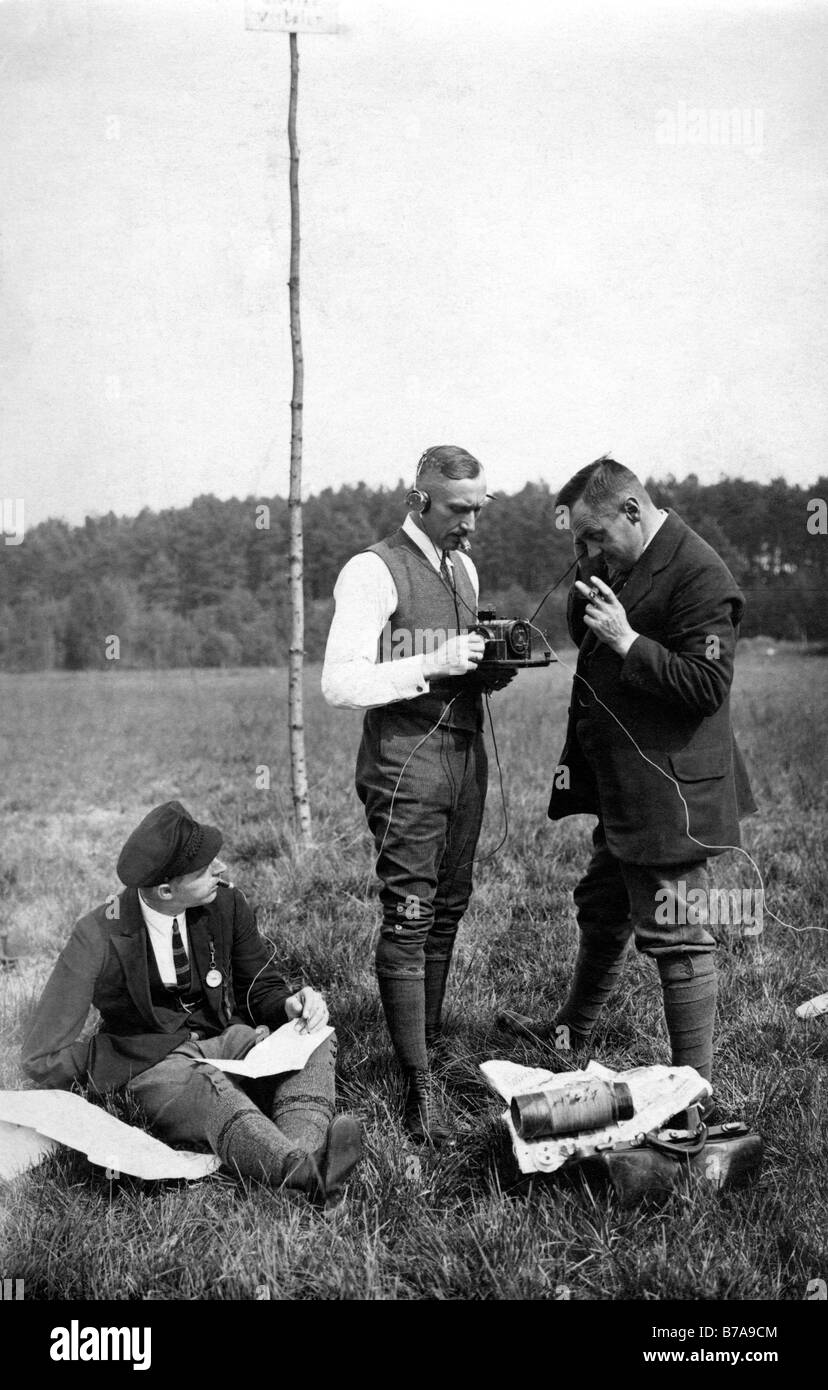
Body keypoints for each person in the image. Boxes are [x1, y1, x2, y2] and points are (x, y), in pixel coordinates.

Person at [500, 456, 756, 1084]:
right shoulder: (622, 560)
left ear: (633, 512)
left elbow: (706, 685)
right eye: (579, 542)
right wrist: (591, 602)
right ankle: (571, 1029)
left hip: (672, 791)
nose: (587, 552)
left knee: (679, 933)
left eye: (594, 536)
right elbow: (588, 628)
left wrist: (625, 640)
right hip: (625, 785)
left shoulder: (701, 574)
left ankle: (695, 1092)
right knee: (603, 902)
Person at [21, 800, 362, 1207]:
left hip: (225, 1042)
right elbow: (41, 1053)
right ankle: (304, 1171)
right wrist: (107, 1065)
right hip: (155, 1064)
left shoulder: (226, 904)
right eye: (204, 870)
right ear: (166, 890)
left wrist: (290, 1005)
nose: (221, 869)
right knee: (209, 1090)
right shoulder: (97, 933)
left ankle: (307, 1157)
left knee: (313, 1035)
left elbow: (259, 986)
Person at [322, 445, 507, 1145]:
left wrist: (486, 673)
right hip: (405, 762)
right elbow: (340, 683)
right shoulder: (372, 569)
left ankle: (427, 1047)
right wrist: (433, 662)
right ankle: (417, 1084)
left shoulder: (461, 567)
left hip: (464, 755)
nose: (470, 524)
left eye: (478, 510)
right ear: (418, 499)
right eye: (459, 509)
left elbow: (454, 665)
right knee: (410, 912)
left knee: (449, 907)